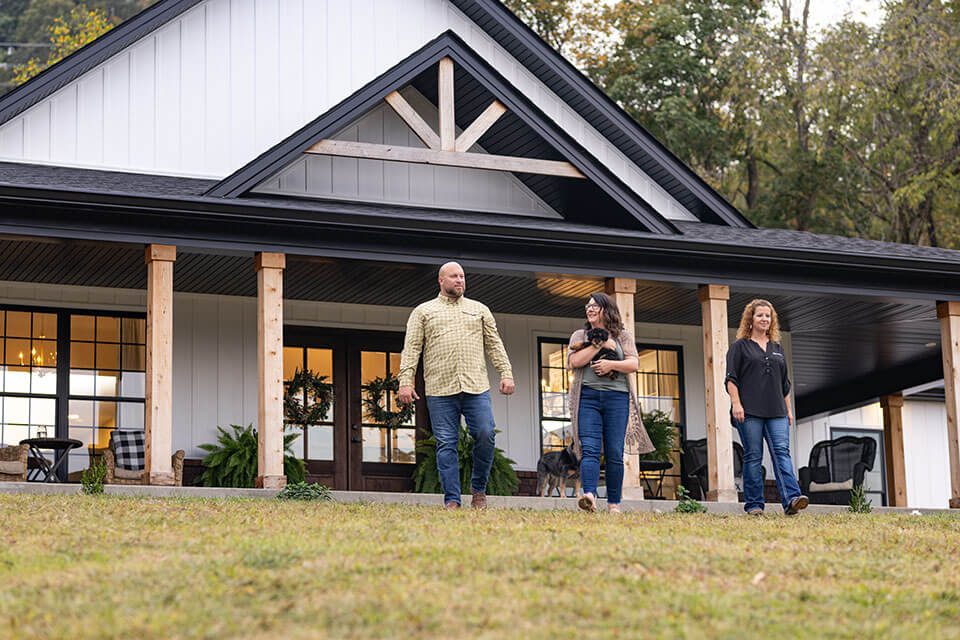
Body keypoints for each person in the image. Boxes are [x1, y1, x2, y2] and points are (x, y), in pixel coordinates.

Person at [397, 262, 514, 510]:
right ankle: (452, 500)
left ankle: (478, 490)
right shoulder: (423, 312)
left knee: (485, 434)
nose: (460, 280)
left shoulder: (479, 309)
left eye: (462, 276)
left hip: (476, 387)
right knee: (446, 443)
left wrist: (506, 373)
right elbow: (412, 348)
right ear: (441, 281)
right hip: (440, 389)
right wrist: (405, 381)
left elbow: (494, 344)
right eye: (454, 276)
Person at [567, 293, 654, 513]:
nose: (590, 309)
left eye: (595, 305)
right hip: (587, 398)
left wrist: (610, 365)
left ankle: (614, 504)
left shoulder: (623, 336)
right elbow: (574, 362)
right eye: (588, 306)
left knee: (615, 452)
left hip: (617, 398)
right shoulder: (580, 335)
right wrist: (598, 344)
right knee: (590, 449)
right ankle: (589, 496)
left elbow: (634, 363)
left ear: (607, 309)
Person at [725, 299, 808, 516]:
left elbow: (784, 384)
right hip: (749, 411)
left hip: (777, 411)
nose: (764, 319)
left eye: (768, 316)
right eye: (760, 315)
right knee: (753, 455)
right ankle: (754, 505)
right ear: (750, 319)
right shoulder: (739, 347)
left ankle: (792, 500)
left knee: (782, 453)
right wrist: (736, 404)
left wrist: (788, 410)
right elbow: (731, 379)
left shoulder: (778, 348)